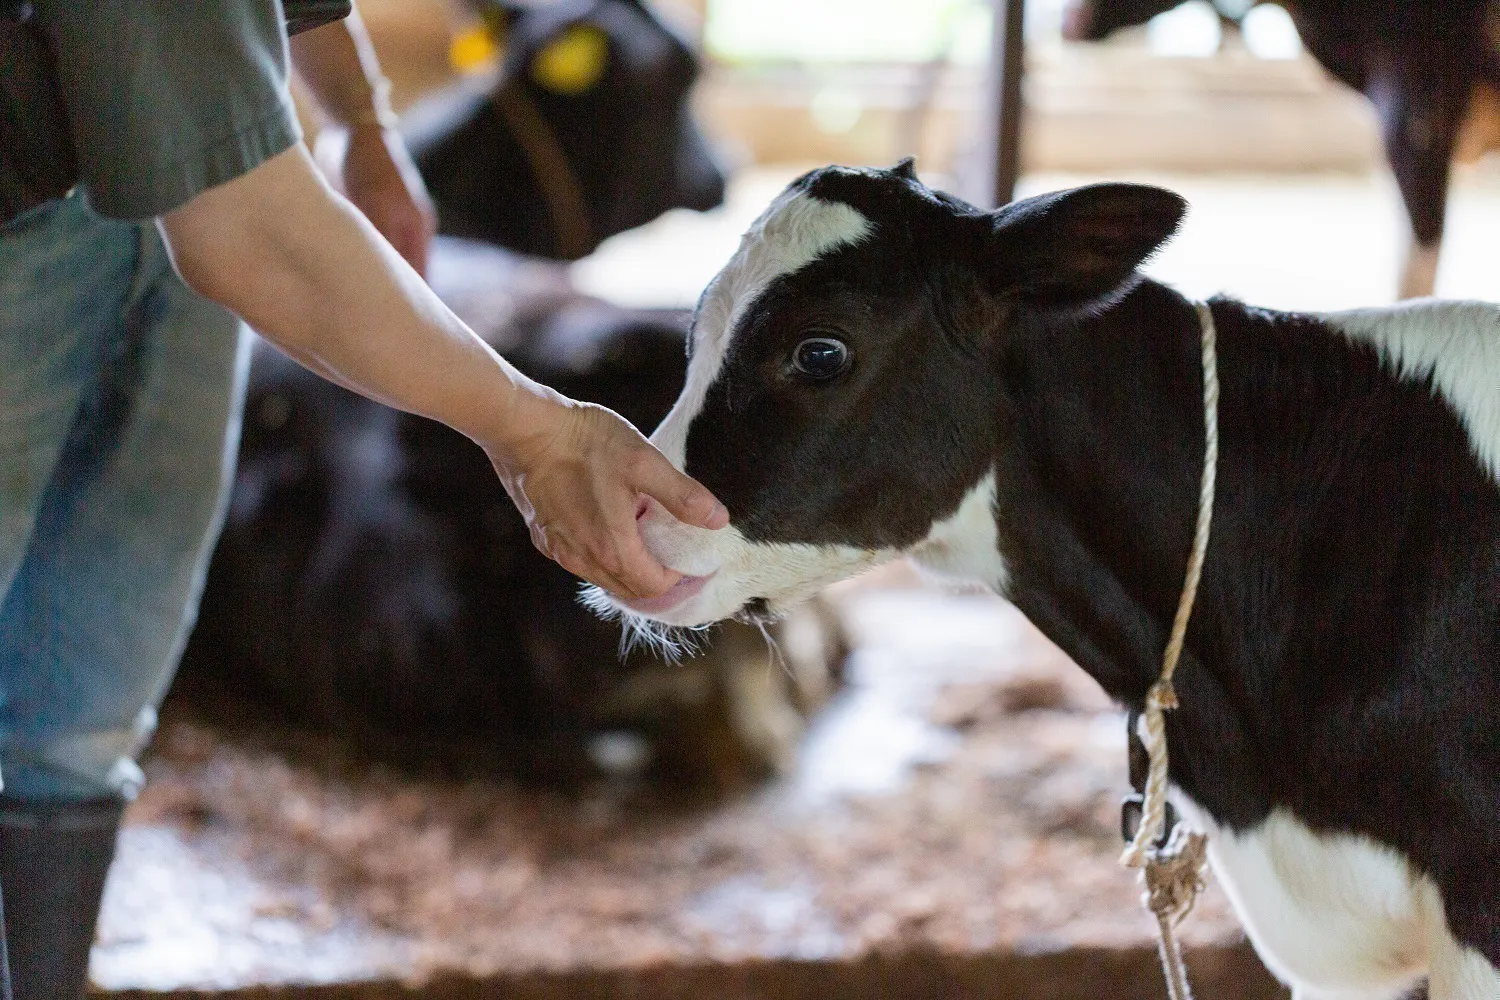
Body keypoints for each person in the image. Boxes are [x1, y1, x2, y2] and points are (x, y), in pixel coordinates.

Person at [0, 4, 728, 997]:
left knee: (98, 671)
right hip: (41, 209)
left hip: (169, 191)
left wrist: (366, 126)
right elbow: (247, 231)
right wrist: (534, 431)